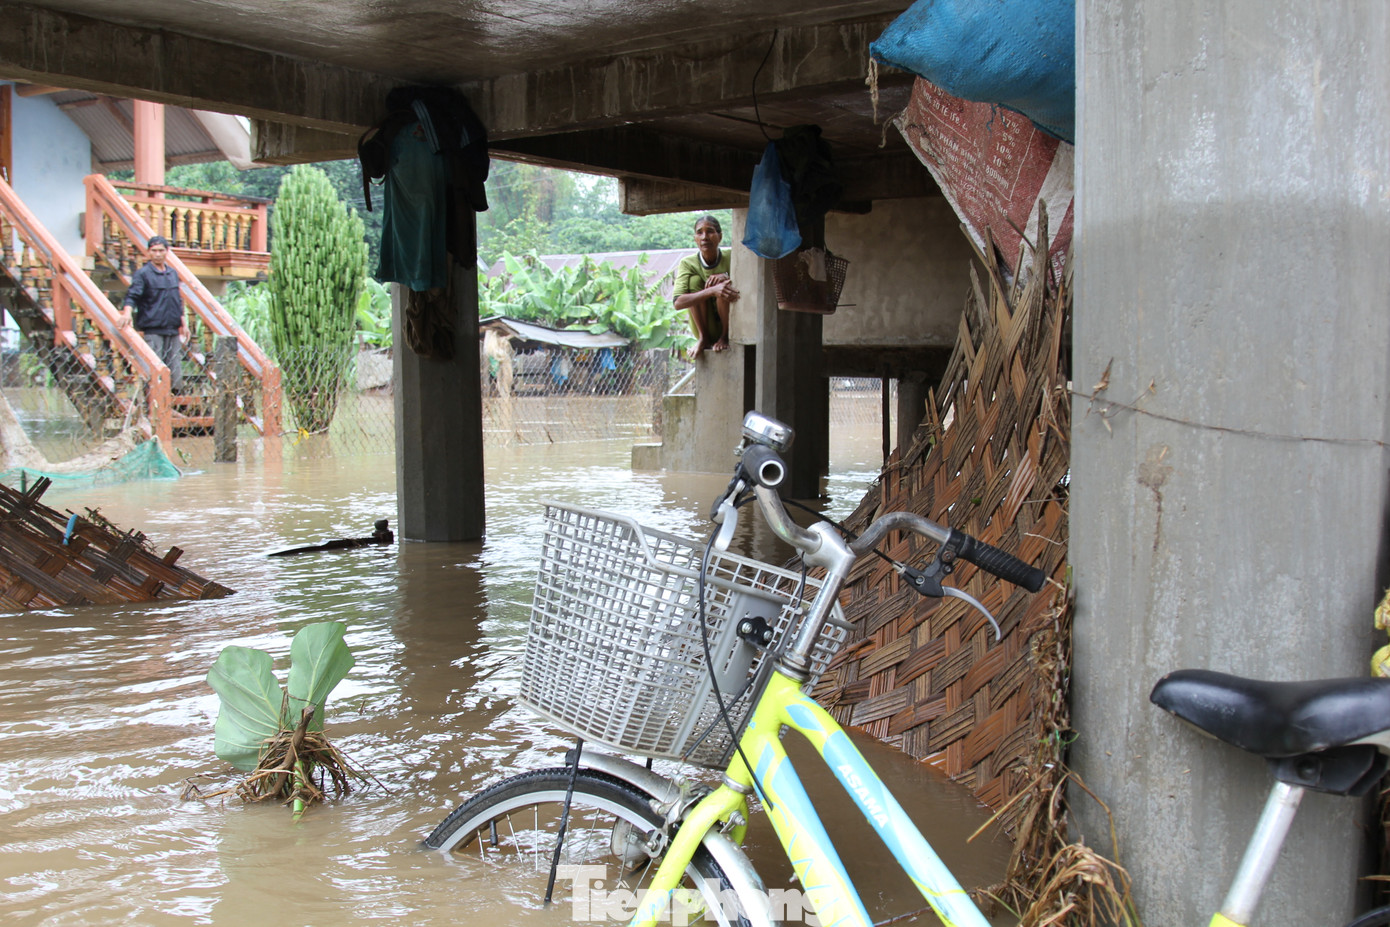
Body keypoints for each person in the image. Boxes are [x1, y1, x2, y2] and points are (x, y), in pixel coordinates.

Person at [118, 235, 188, 393]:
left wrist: (183, 323)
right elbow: (132, 295)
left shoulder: (172, 274)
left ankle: (175, 401)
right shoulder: (143, 274)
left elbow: (177, 300)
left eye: (161, 251)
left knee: (175, 367)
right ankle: (154, 399)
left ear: (167, 252)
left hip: (173, 328)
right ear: (148, 253)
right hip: (153, 328)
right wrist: (127, 313)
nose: (158, 254)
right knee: (155, 367)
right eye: (154, 251)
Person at [673, 215, 740, 359]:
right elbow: (678, 302)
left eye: (710, 231)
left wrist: (727, 277)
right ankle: (703, 338)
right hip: (705, 326)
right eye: (699, 232)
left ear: (719, 236)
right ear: (695, 238)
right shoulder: (687, 263)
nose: (704, 237)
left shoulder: (734, 256)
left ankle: (724, 337)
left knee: (723, 285)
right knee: (694, 281)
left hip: (732, 325)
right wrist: (711, 291)